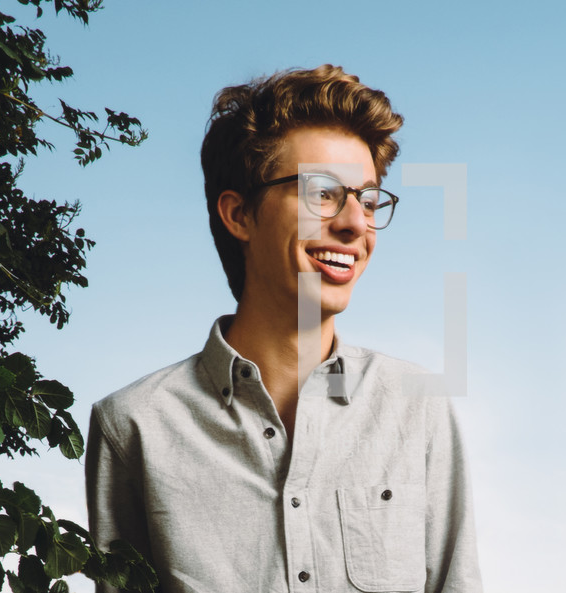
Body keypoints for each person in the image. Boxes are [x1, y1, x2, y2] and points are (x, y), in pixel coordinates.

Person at [85, 64, 482, 593]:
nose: (355, 224)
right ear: (239, 215)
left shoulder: (418, 408)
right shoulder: (133, 429)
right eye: (323, 193)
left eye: (367, 200)